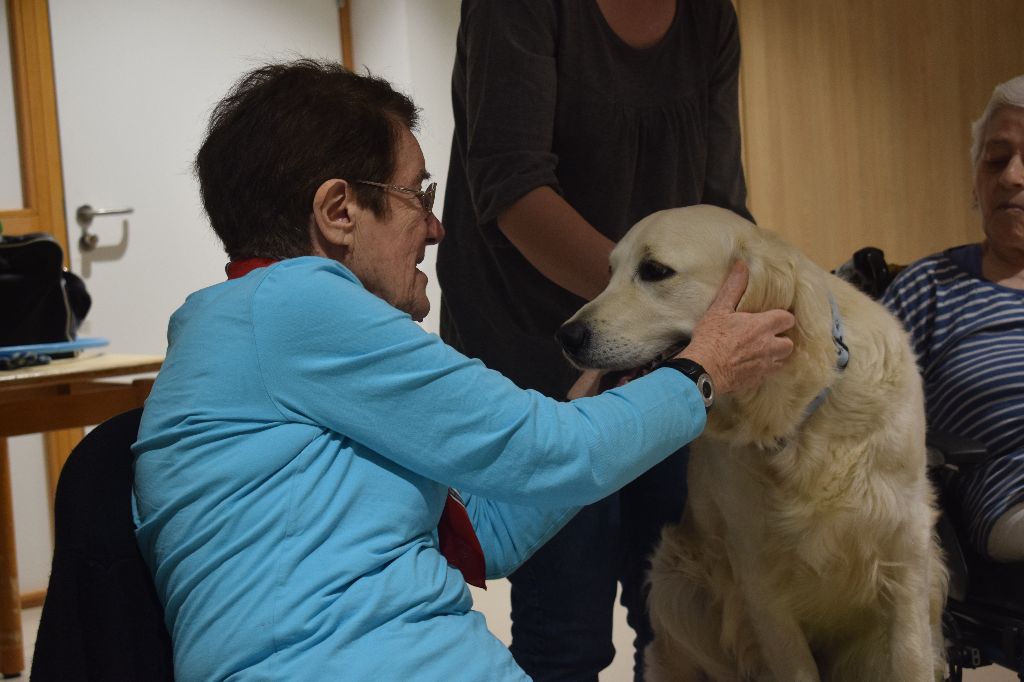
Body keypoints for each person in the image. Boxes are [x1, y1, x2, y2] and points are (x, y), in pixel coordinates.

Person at [131, 59, 793, 680]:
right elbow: (549, 453)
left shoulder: (259, 334)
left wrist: (616, 381)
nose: (437, 226)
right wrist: (701, 374)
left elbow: (489, 530)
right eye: (416, 194)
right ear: (338, 213)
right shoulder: (295, 303)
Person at [436, 0, 752, 677]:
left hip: (666, 347)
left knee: (678, 616)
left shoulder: (709, 18)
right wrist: (649, 301)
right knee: (567, 624)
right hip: (534, 351)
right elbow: (512, 186)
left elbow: (722, 202)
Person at [884, 74, 1024, 563]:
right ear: (976, 181)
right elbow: (859, 414)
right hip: (1013, 499)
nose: (1012, 176)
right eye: (996, 159)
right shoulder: (930, 289)